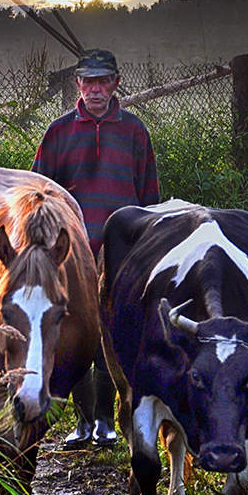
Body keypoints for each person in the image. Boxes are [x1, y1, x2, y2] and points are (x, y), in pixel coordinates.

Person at [32, 47, 160, 448]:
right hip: (71, 251)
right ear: (78, 85)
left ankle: (107, 420)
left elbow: (150, 198)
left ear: (116, 83)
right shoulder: (58, 132)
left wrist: (148, 246)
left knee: (111, 334)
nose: (96, 90)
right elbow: (38, 193)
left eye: (104, 81)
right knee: (74, 335)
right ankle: (83, 421)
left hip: (120, 250)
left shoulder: (135, 132)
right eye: (89, 82)